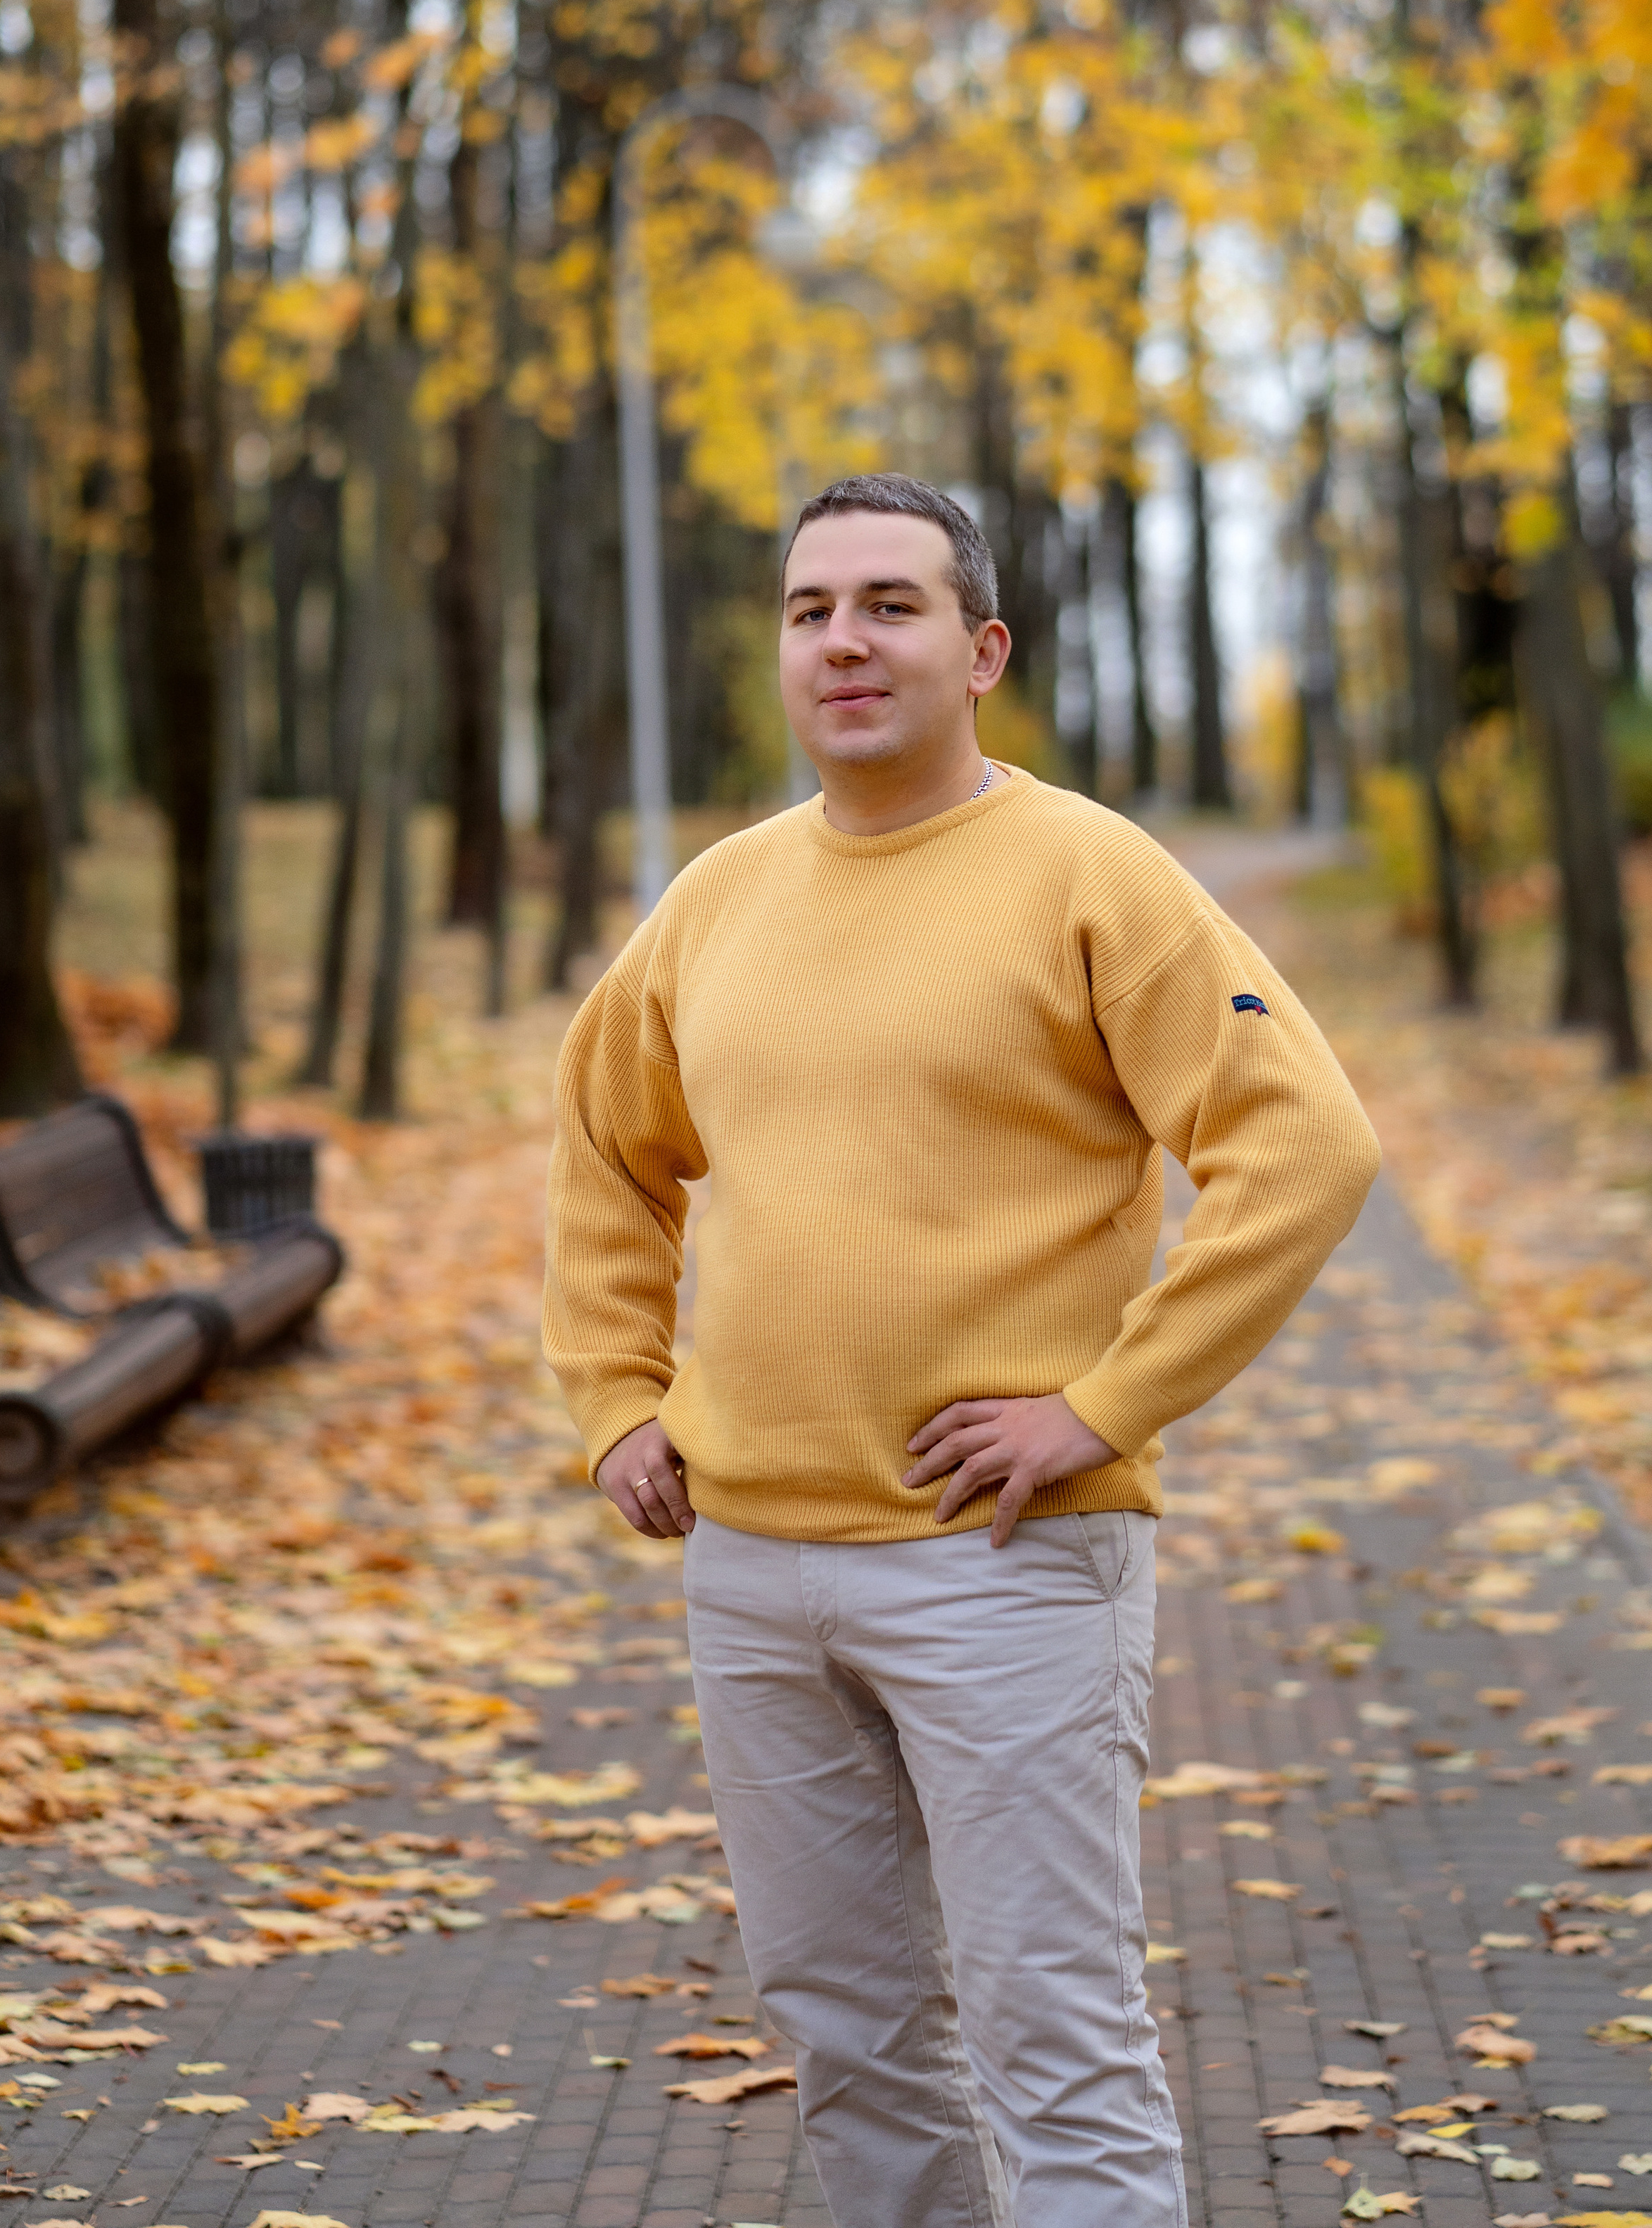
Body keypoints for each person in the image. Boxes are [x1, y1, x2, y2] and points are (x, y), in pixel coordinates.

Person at [542, 471, 1380, 2228]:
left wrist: (1104, 1406)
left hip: (1003, 1565)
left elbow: (1303, 1149)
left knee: (1050, 2040)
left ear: (979, 646)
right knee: (846, 2035)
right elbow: (608, 1155)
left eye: (887, 606)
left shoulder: (1089, 874)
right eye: (806, 611)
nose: (842, 641)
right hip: (752, 1566)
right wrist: (616, 1395)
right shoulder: (714, 902)